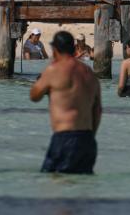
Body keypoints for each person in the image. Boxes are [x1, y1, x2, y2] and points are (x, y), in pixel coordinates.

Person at [30, 31, 102, 174]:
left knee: (54, 187)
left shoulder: (54, 70)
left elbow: (34, 96)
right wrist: (90, 136)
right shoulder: (90, 74)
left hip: (65, 137)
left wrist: (45, 83)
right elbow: (97, 110)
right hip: (88, 140)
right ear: (73, 48)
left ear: (55, 49)